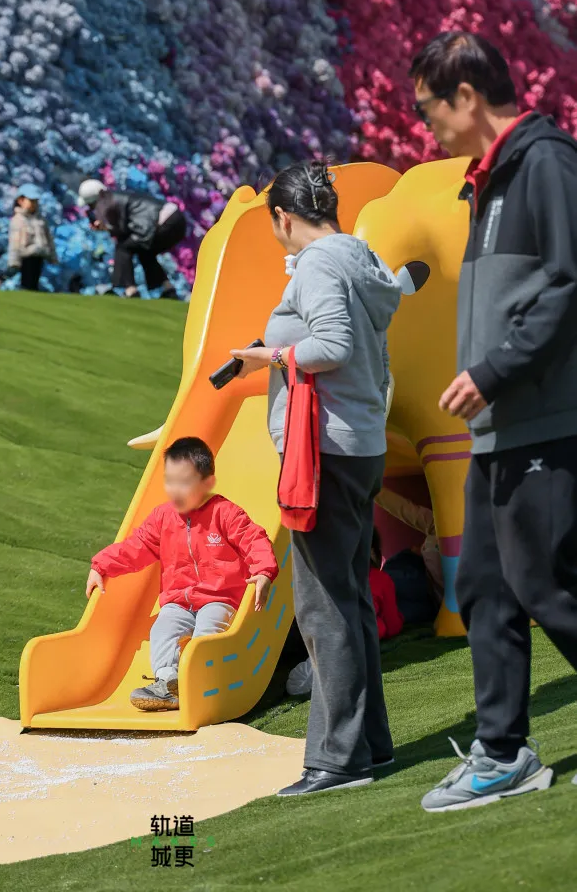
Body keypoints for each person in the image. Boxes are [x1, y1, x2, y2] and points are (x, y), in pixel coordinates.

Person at [409, 31, 577, 812]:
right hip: (499, 427)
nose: (426, 127)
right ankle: (503, 753)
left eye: (428, 110)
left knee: (547, 584)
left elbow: (568, 289)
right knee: (482, 584)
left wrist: (492, 370)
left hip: (547, 418)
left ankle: (503, 751)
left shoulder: (547, 164)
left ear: (468, 97)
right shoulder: (485, 181)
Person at [230, 159, 402, 796]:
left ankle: (337, 760)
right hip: (357, 444)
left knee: (324, 605)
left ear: (283, 217)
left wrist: (269, 355)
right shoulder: (358, 255)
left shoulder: (320, 264)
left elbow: (332, 346)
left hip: (324, 449)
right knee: (347, 597)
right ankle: (369, 746)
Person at [85, 436, 279, 711]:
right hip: (178, 601)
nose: (175, 490)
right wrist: (101, 566)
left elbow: (253, 540)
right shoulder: (162, 517)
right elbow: (135, 547)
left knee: (207, 630)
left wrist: (263, 571)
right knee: (162, 628)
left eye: (184, 483)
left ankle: (201, 683)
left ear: (207, 483)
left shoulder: (224, 513)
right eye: (170, 481)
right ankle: (168, 683)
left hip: (219, 598)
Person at [286, 529, 403, 698]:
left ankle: (321, 660)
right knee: (375, 626)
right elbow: (393, 626)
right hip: (356, 633)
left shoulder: (326, 576)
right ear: (372, 551)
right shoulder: (380, 578)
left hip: (318, 629)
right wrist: (394, 622)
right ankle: (333, 664)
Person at [77, 178, 186, 300]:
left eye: (93, 204)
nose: (94, 209)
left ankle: (129, 290)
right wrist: (106, 228)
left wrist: (108, 228)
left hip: (168, 221)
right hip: (173, 220)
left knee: (123, 248)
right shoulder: (115, 200)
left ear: (101, 196)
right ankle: (167, 288)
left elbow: (132, 230)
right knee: (144, 251)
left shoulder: (115, 202)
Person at [7, 184, 57, 291]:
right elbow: (14, 242)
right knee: (27, 279)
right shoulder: (18, 220)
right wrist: (14, 261)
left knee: (35, 278)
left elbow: (49, 239)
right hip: (26, 255)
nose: (34, 204)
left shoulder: (40, 220)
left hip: (40, 254)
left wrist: (52, 256)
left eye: (36, 201)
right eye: (31, 201)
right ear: (20, 201)